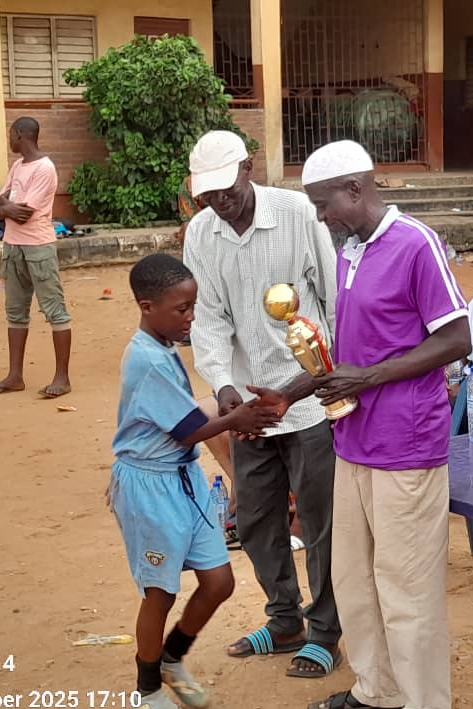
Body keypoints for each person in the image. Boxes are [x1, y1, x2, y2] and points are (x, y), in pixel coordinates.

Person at [254, 139, 469, 709]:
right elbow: (348, 353)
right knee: (353, 578)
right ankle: (377, 687)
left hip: (406, 442)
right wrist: (291, 392)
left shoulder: (415, 244)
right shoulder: (351, 249)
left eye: (324, 205)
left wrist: (368, 381)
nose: (321, 217)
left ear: (355, 189)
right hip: (351, 439)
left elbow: (457, 338)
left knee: (407, 585)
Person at [184, 130, 342, 678]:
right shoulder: (202, 234)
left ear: (248, 170)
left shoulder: (298, 213)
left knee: (319, 522)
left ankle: (325, 630)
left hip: (308, 399)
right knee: (254, 519)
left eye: (226, 189)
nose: (218, 202)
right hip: (250, 407)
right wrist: (224, 386)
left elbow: (332, 294)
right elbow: (209, 317)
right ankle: (283, 620)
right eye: (207, 195)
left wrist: (330, 379)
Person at [110, 252, 280, 709]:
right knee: (159, 594)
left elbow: (186, 423)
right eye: (180, 309)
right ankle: (146, 690)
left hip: (180, 480)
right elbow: (186, 430)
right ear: (147, 307)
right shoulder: (146, 358)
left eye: (192, 307)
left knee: (219, 582)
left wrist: (234, 411)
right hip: (151, 487)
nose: (190, 317)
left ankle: (171, 657)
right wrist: (239, 418)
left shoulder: (162, 348)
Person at [0, 116, 71, 399]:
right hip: (13, 247)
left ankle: (62, 377)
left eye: (10, 133)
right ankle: (15, 376)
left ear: (21, 134)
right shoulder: (17, 166)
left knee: (54, 310)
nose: (9, 139)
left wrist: (5, 207)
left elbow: (23, 213)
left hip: (38, 248)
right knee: (15, 312)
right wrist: (7, 208)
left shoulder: (45, 168)